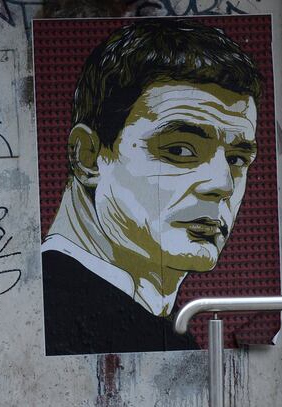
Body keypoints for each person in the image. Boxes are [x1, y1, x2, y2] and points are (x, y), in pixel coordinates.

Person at [41, 19, 262, 355]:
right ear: (87, 157)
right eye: (179, 150)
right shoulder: (54, 309)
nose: (222, 185)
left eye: (236, 159)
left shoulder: (147, 319)